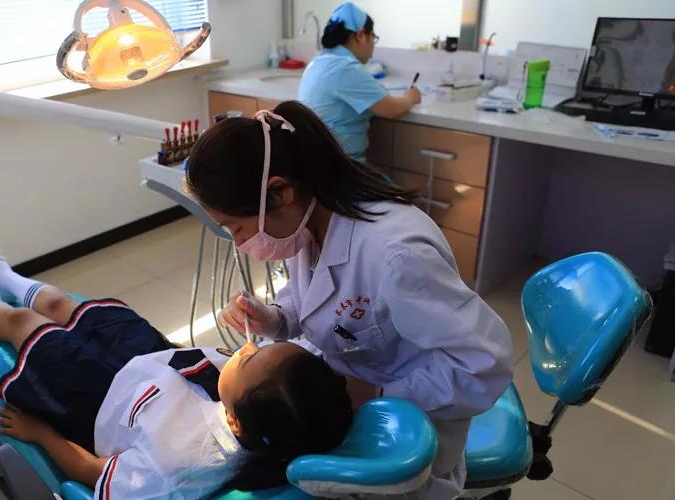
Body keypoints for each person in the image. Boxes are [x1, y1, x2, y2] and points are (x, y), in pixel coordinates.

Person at [185, 102, 514, 500]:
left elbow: (484, 366)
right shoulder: (310, 220)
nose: (240, 243)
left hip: (408, 430)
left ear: (279, 192)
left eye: (237, 228)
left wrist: (378, 394)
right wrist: (276, 318)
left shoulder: (396, 255)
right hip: (344, 401)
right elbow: (317, 298)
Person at [0, 239, 352, 498]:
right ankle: (7, 276)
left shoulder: (174, 465)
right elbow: (218, 369)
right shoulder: (265, 397)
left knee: (26, 324)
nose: (246, 347)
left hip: (98, 398)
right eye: (262, 347)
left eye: (248, 358)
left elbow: (90, 471)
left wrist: (40, 432)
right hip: (150, 362)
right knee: (61, 304)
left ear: (234, 420)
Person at [298, 2, 421, 162]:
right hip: (338, 165)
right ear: (361, 35)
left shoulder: (319, 61)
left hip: (314, 161)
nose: (372, 47)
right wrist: (411, 97)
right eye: (373, 38)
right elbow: (394, 109)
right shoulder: (346, 68)